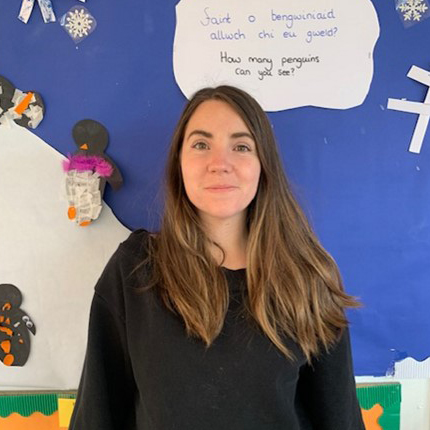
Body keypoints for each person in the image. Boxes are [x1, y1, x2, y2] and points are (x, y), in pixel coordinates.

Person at [69, 85, 365, 430]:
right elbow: (97, 413)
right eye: (201, 144)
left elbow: (339, 417)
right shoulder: (135, 269)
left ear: (263, 165)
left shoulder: (308, 276)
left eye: (241, 146)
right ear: (179, 163)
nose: (220, 164)